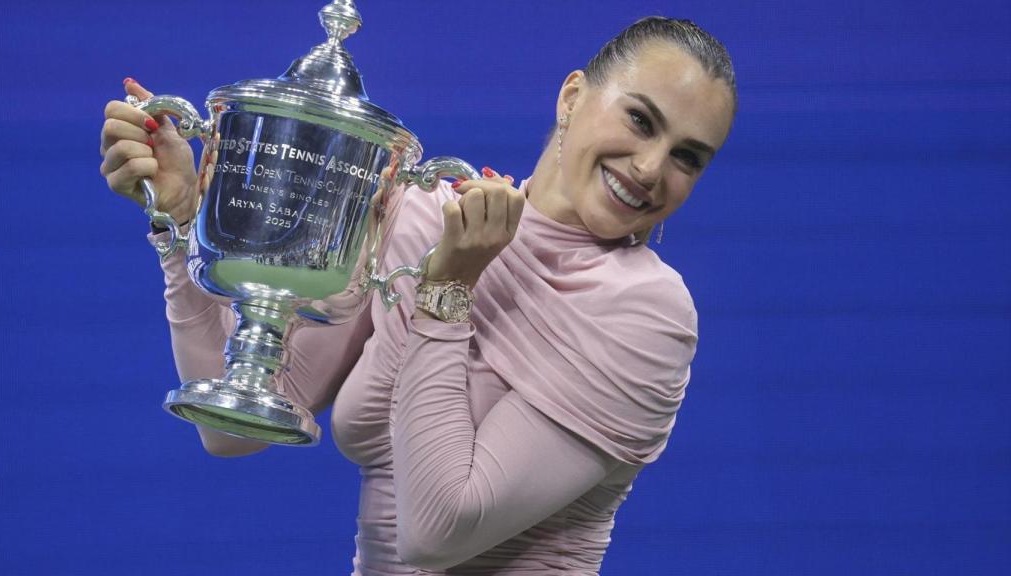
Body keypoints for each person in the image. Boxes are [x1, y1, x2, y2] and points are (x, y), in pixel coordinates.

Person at [99, 16, 736, 575]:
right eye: (640, 120)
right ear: (572, 96)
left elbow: (438, 531)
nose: (652, 168)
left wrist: (448, 292)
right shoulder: (427, 216)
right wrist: (181, 221)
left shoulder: (651, 312)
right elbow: (235, 430)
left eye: (687, 157)